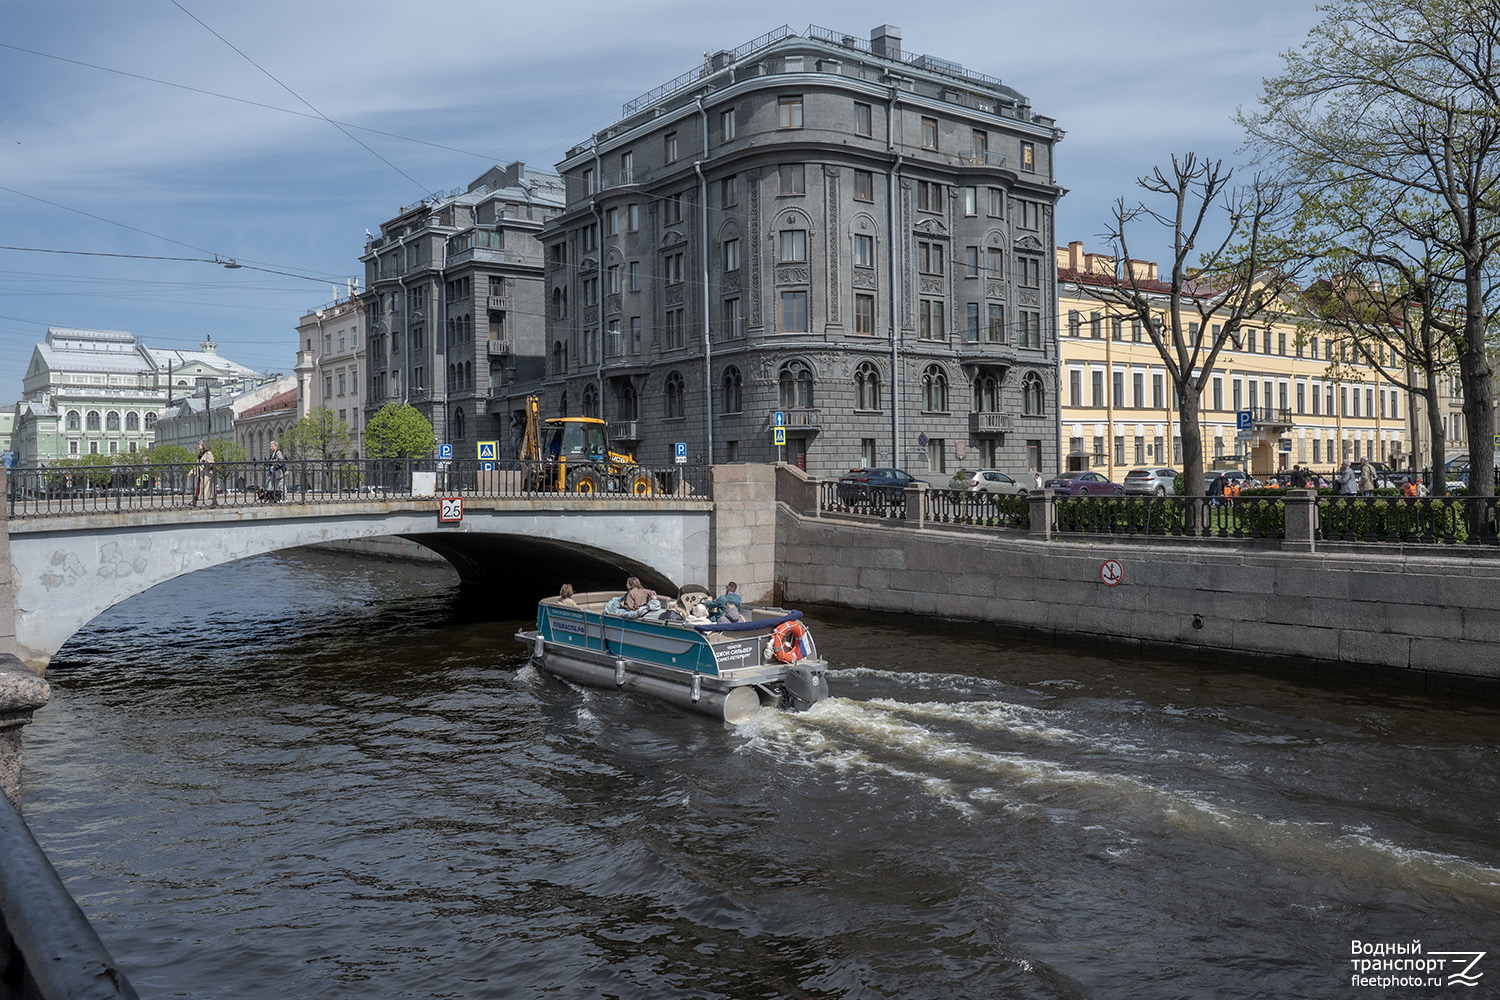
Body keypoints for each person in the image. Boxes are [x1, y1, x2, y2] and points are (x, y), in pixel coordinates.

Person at [190, 440, 216, 507]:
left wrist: (206, 464)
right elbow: (197, 465)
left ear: (204, 445)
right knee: (199, 488)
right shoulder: (200, 454)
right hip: (200, 474)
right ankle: (194, 501)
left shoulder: (208, 453)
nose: (198, 446)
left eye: (199, 445)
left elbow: (211, 462)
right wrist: (191, 472)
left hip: (206, 474)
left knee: (208, 489)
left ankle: (214, 501)